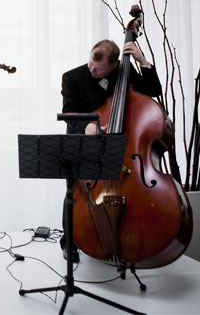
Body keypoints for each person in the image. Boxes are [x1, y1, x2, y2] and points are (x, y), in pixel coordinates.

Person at [59, 39, 162, 261]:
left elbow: (153, 90)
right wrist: (88, 127)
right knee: (75, 192)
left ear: (114, 66)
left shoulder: (124, 71)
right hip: (84, 142)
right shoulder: (72, 77)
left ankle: (123, 238)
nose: (92, 70)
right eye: (90, 64)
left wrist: (142, 61)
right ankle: (70, 242)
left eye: (98, 68)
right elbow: (69, 113)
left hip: (121, 145)